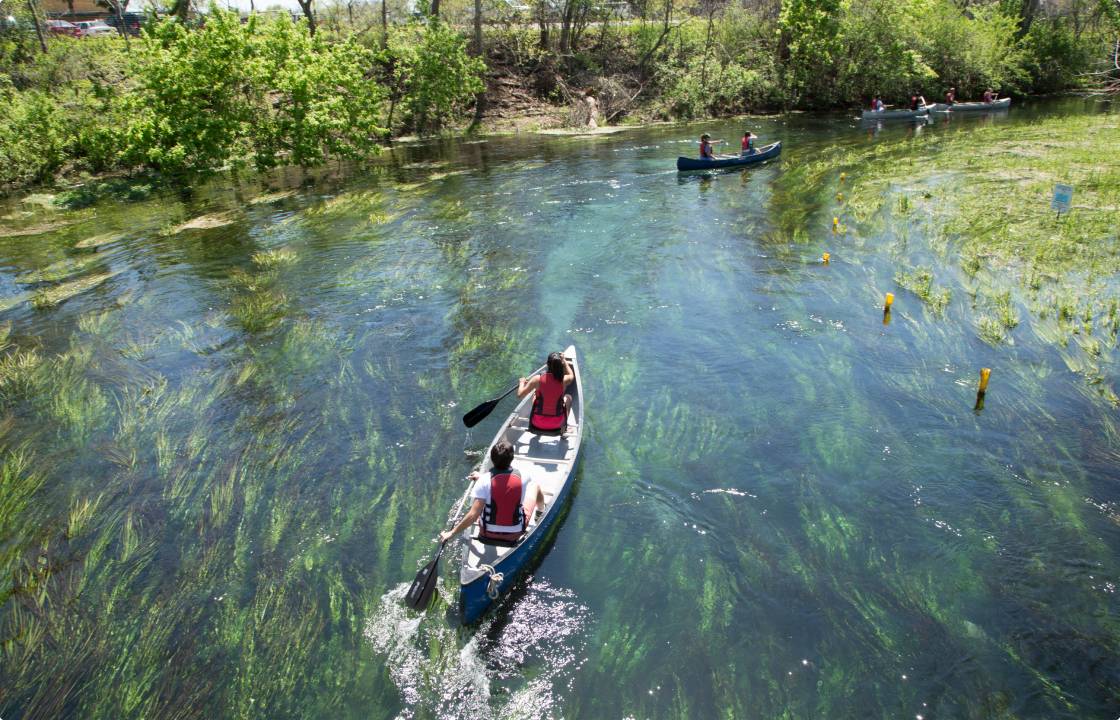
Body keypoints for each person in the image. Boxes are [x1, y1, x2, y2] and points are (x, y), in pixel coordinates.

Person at [439, 440, 546, 544]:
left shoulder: (483, 481)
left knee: (485, 502)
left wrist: (451, 533)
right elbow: (505, 484)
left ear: (492, 459)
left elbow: (473, 515)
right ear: (512, 458)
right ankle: (540, 513)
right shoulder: (524, 477)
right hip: (515, 533)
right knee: (535, 486)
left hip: (486, 533)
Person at [518, 351, 574, 434]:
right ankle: (563, 429)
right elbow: (571, 375)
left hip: (537, 423)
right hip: (557, 424)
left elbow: (520, 395)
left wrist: (522, 382)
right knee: (568, 397)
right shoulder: (564, 380)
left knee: (535, 395)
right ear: (561, 365)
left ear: (547, 364)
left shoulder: (537, 379)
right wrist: (565, 361)